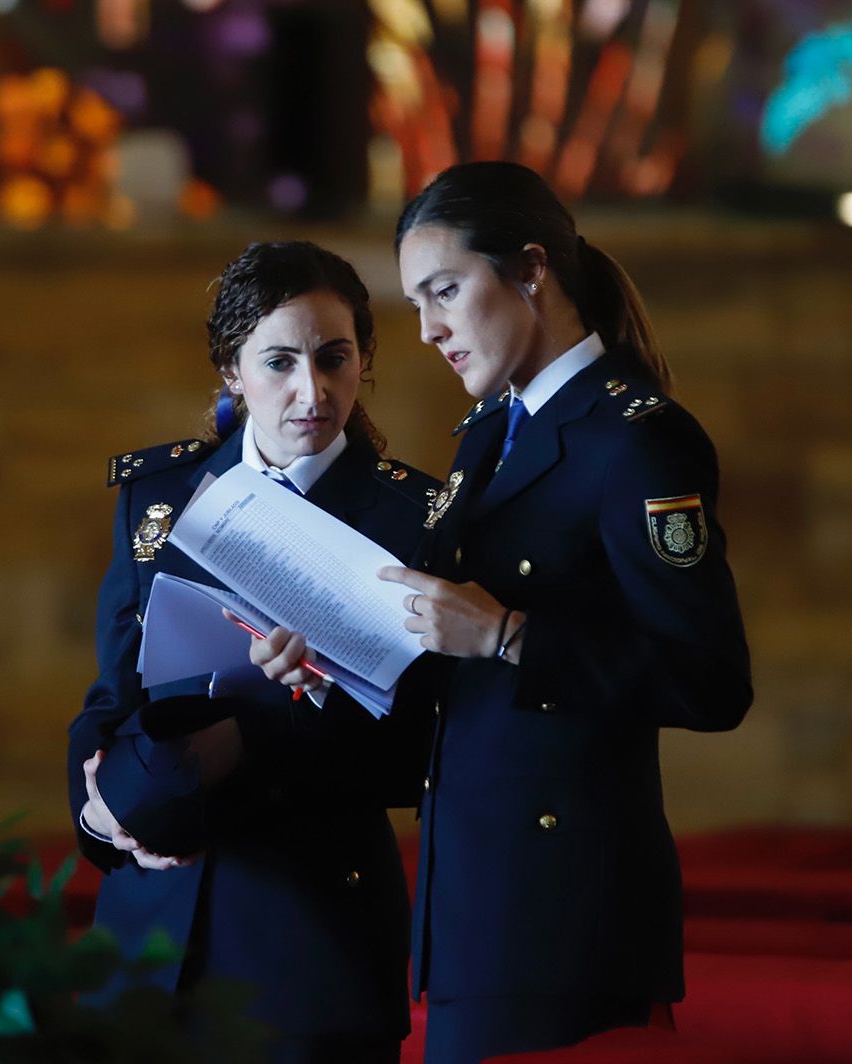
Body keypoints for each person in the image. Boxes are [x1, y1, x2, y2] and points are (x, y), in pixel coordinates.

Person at [252, 162, 752, 1063]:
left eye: (445, 291)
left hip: (570, 913)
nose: (431, 330)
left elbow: (711, 681)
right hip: (473, 903)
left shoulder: (635, 440)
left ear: (530, 269)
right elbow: (459, 677)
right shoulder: (489, 431)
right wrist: (335, 658)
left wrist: (510, 636)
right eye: (415, 305)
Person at [66, 241, 439, 1064]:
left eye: (335, 358)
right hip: (147, 927)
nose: (313, 391)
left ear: (365, 359)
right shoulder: (161, 494)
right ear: (231, 370)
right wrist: (96, 810)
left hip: (306, 934)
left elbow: (422, 750)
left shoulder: (412, 521)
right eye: (279, 362)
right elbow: (111, 690)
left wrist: (298, 707)